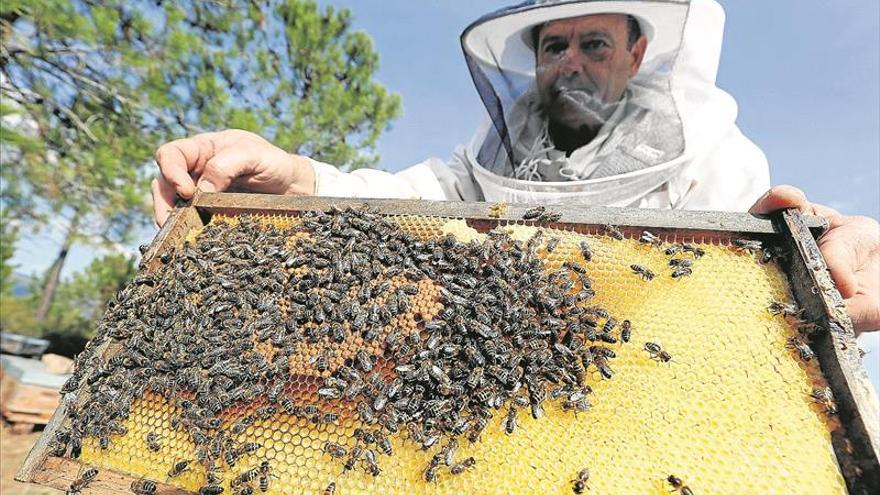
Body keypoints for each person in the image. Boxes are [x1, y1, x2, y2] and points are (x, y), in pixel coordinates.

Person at [150, 0, 878, 334]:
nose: (570, 63)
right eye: (552, 47)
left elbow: (775, 268)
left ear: (635, 54)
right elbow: (410, 197)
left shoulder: (714, 155)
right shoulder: (492, 156)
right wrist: (299, 177)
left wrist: (826, 254)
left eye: (594, 43)